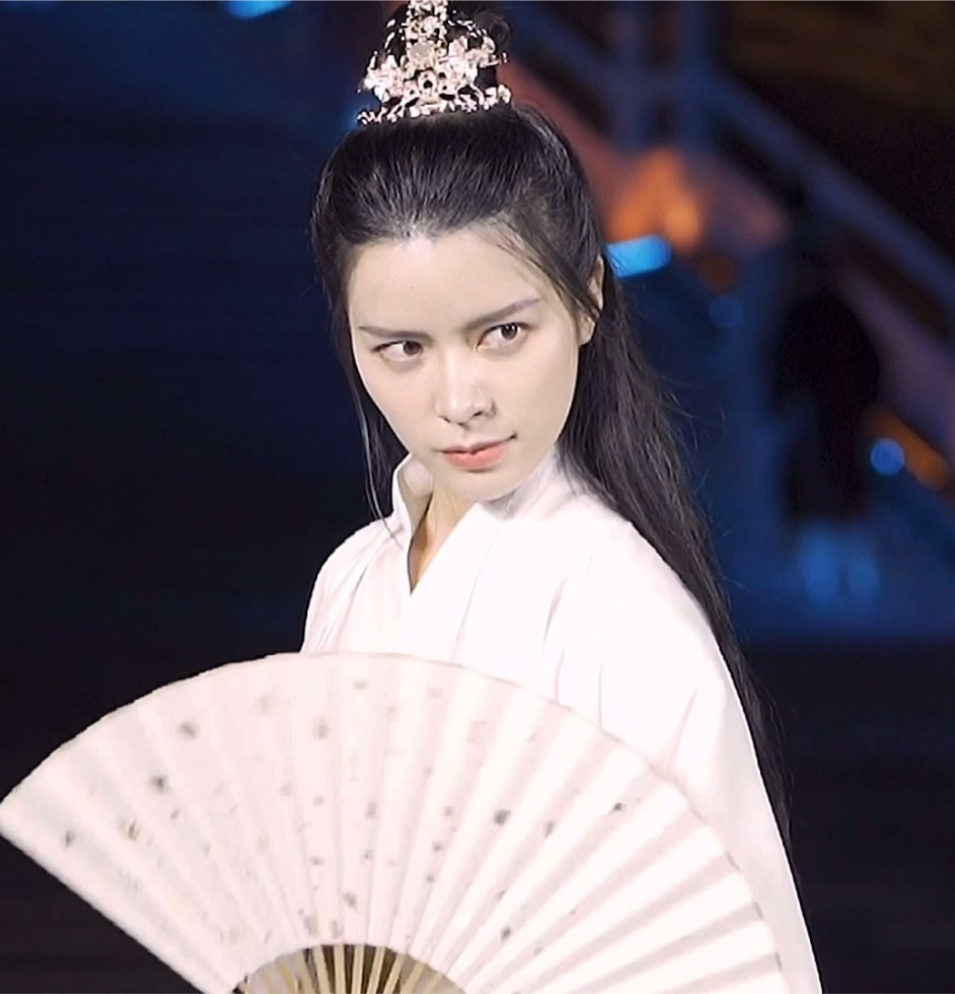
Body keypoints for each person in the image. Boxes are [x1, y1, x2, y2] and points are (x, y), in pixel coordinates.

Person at [299, 2, 822, 990]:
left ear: (586, 299)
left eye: (502, 333)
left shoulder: (626, 619)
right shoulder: (350, 583)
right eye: (402, 348)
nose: (460, 399)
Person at [770, 208, 883, 607]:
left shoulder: (811, 315)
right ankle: (843, 585)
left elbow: (782, 372)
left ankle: (831, 586)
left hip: (823, 428)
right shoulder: (834, 315)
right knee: (835, 507)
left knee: (825, 509)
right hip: (832, 427)